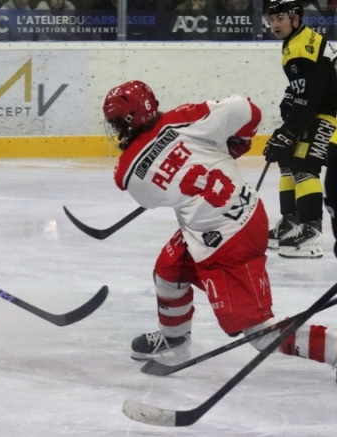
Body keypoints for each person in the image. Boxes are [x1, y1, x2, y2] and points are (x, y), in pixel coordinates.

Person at [103, 80, 337, 370]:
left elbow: (152, 197)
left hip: (225, 243)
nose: (115, 130)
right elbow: (247, 109)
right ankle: (174, 342)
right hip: (247, 214)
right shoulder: (185, 116)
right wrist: (237, 141)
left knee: (262, 334)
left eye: (115, 123)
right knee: (169, 271)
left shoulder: (128, 171)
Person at [262, 0, 337, 259]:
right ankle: (291, 222)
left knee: (305, 163)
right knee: (286, 157)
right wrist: (289, 105)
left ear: (296, 18)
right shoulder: (295, 41)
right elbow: (304, 90)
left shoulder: (303, 48)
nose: (274, 24)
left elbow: (312, 98)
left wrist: (289, 129)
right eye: (270, 20)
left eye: (280, 18)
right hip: (318, 109)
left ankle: (311, 232)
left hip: (330, 114)